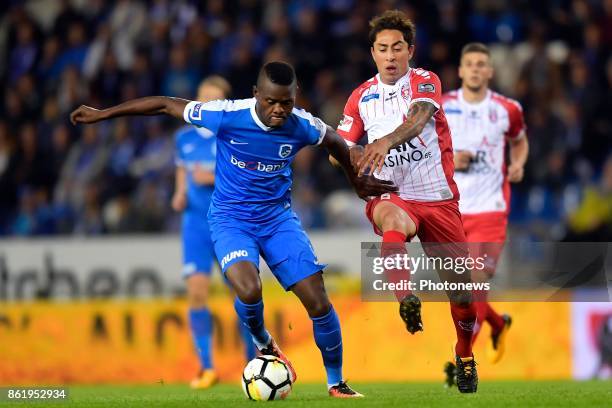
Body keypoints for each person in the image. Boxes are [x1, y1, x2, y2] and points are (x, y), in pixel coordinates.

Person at [71, 61, 395, 398]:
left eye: (285, 102)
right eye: (270, 102)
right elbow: (165, 104)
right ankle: (264, 343)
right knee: (248, 289)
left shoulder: (302, 124)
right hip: (230, 219)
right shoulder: (227, 114)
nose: (278, 110)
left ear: (294, 96)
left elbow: (335, 142)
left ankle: (336, 382)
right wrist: (102, 114)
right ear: (256, 95)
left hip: (278, 220)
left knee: (316, 300)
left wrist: (355, 181)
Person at [335, 10, 478, 393]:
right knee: (391, 220)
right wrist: (355, 173)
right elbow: (339, 151)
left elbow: (417, 120)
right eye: (383, 49)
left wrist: (382, 142)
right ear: (373, 53)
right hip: (393, 194)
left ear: (410, 50)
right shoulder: (360, 97)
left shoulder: (426, 81)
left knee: (463, 295)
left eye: (398, 47)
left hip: (438, 198)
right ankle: (405, 296)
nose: (391, 55)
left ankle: (464, 354)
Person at [441, 42, 529, 385]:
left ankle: (463, 363)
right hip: (452, 211)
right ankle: (497, 322)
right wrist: (452, 159)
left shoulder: (507, 109)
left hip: (491, 211)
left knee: (474, 286)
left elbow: (519, 140)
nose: (476, 69)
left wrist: (518, 163)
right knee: (460, 293)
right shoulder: (443, 107)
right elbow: (428, 149)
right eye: (470, 64)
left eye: (482, 64)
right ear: (461, 70)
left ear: (489, 72)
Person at [171, 75, 257, 389]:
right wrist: (179, 192)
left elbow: (246, 175)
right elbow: (183, 168)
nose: (205, 103)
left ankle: (252, 363)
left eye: (213, 98)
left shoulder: (231, 134)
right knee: (196, 292)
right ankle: (206, 367)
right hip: (194, 224)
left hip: (227, 222)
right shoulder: (183, 137)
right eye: (202, 96)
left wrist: (215, 177)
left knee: (244, 294)